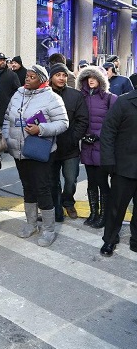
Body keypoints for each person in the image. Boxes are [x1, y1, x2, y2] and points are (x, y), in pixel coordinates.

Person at [3, 65, 68, 247]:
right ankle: (31, 224)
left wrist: (42, 129)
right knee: (27, 188)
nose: (27, 79)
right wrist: (7, 138)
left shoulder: (52, 98)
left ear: (41, 80)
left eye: (32, 77)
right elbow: (8, 118)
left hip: (40, 152)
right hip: (18, 151)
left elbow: (63, 123)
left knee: (42, 189)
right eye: (27, 76)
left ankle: (48, 230)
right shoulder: (18, 94)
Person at [77, 66, 117, 228]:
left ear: (101, 80)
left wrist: (98, 135)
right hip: (87, 146)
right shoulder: (82, 97)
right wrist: (83, 135)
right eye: (88, 77)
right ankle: (94, 213)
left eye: (95, 77)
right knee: (91, 182)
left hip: (103, 146)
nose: (91, 80)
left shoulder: (109, 98)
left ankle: (104, 216)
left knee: (102, 182)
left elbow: (114, 122)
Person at [99, 87, 137, 256]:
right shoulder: (123, 102)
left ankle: (135, 240)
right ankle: (110, 239)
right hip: (124, 166)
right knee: (116, 206)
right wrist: (108, 162)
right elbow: (108, 132)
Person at [48, 63, 88, 221]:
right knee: (52, 181)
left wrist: (73, 139)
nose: (62, 78)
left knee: (71, 180)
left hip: (70, 149)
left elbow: (83, 120)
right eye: (58, 75)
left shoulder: (75, 95)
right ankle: (57, 209)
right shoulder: (44, 94)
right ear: (51, 77)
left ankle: (68, 202)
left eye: (64, 75)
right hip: (49, 148)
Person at [0, 52, 21, 126]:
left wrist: (9, 100)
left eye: (4, 60)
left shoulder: (12, 75)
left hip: (5, 110)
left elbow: (18, 91)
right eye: (0, 60)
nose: (2, 62)